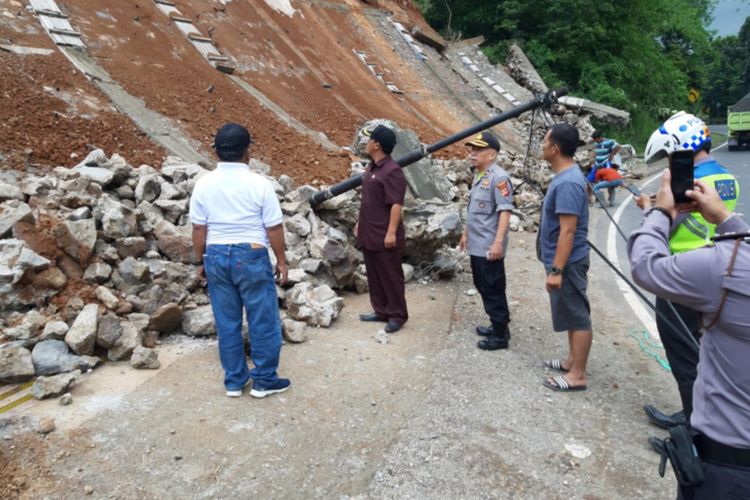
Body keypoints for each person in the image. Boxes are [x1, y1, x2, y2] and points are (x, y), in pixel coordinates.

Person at [628, 173, 750, 500]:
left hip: (726, 469)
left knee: (683, 358)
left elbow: (645, 265)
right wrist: (724, 219)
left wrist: (659, 213)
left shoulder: (728, 268)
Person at [638, 112, 740, 430]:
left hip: (682, 277)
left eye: (670, 154)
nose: (669, 160)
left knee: (682, 352)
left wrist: (650, 210)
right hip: (716, 272)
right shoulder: (724, 178)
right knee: (708, 351)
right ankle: (706, 416)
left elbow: (663, 226)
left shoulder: (690, 184)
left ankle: (691, 423)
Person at [190, 123, 291, 399]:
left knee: (227, 322)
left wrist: (200, 260)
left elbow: (199, 229)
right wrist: (281, 260)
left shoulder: (203, 185)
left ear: (217, 152)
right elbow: (274, 227)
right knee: (262, 319)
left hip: (216, 256)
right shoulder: (260, 184)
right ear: (248, 152)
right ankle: (264, 380)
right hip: (252, 254)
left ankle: (234, 381)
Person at [538, 123, 593, 392]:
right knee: (571, 312)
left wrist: (557, 270)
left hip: (568, 263)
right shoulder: (565, 176)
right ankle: (572, 361)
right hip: (564, 261)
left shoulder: (569, 182)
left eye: (545, 141)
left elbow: (568, 231)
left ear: (555, 148)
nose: (542, 145)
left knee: (578, 314)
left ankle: (578, 375)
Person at [458, 132, 514, 351]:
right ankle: (497, 324)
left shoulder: (499, 178)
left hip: (490, 246)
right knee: (482, 285)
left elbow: (505, 211)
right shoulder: (480, 175)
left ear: (492, 155)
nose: (472, 154)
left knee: (492, 288)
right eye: (472, 150)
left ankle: (500, 335)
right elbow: (474, 211)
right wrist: (465, 234)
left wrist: (498, 243)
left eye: (478, 150)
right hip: (477, 244)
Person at [355, 125, 408, 333]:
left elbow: (396, 203)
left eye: (369, 140)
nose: (366, 143)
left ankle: (397, 315)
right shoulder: (372, 168)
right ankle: (381, 310)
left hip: (385, 233)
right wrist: (360, 223)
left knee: (390, 275)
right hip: (369, 231)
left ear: (376, 144)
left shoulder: (392, 170)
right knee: (374, 274)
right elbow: (369, 200)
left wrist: (391, 232)